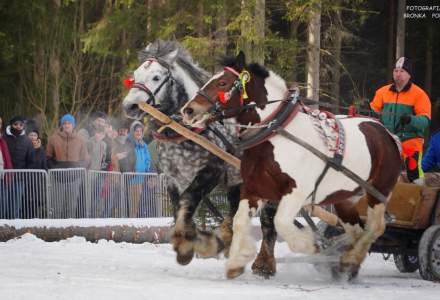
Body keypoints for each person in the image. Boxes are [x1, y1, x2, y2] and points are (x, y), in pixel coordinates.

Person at [370, 57, 431, 182]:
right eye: (396, 70)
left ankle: (420, 196)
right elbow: (373, 112)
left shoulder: (419, 94)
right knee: (379, 171)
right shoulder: (382, 92)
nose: (398, 74)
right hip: (388, 140)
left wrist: (411, 119)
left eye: (402, 71)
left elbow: (425, 121)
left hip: (410, 141)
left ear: (409, 75)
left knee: (414, 172)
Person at [46, 114, 89, 218]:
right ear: (61, 125)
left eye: (69, 123)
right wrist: (55, 169)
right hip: (58, 178)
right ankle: (55, 231)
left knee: (71, 207)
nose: (66, 125)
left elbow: (86, 159)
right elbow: (47, 157)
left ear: (73, 125)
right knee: (57, 206)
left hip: (74, 178)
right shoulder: (53, 139)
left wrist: (78, 170)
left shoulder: (80, 140)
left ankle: (70, 231)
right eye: (64, 123)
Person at [4, 116, 34, 218]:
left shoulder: (27, 141)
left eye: (21, 125)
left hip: (19, 178)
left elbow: (31, 160)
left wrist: (26, 175)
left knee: (16, 206)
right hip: (4, 178)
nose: (18, 126)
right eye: (15, 124)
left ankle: (14, 228)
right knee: (3, 205)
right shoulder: (3, 138)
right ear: (11, 125)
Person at [0, 116, 13, 218]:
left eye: (0, 123)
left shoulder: (2, 141)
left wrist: (9, 175)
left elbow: (7, 160)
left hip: (2, 177)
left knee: (3, 205)